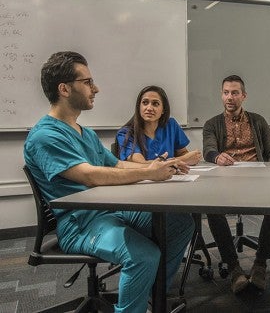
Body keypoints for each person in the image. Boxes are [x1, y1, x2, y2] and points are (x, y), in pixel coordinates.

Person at [23, 51, 195, 313]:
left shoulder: (84, 132)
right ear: (64, 89)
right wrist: (149, 173)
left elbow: (115, 164)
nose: (96, 88)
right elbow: (90, 175)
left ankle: (149, 293)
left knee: (181, 223)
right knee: (144, 255)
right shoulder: (45, 136)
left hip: (109, 210)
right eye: (88, 82)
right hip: (81, 223)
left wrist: (157, 165)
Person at [202, 74, 270, 293]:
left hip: (257, 179)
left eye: (235, 93)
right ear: (221, 95)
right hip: (225, 181)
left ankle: (260, 264)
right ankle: (234, 268)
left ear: (243, 96)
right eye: (226, 92)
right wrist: (217, 157)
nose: (230, 97)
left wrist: (269, 171)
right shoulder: (211, 124)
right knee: (212, 211)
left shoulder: (258, 121)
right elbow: (208, 150)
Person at [116, 85, 201, 164]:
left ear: (163, 110)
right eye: (145, 103)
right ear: (139, 107)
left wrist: (189, 158)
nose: (149, 108)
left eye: (155, 104)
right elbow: (142, 164)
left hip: (171, 178)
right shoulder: (125, 134)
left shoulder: (171, 125)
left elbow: (183, 153)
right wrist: (182, 160)